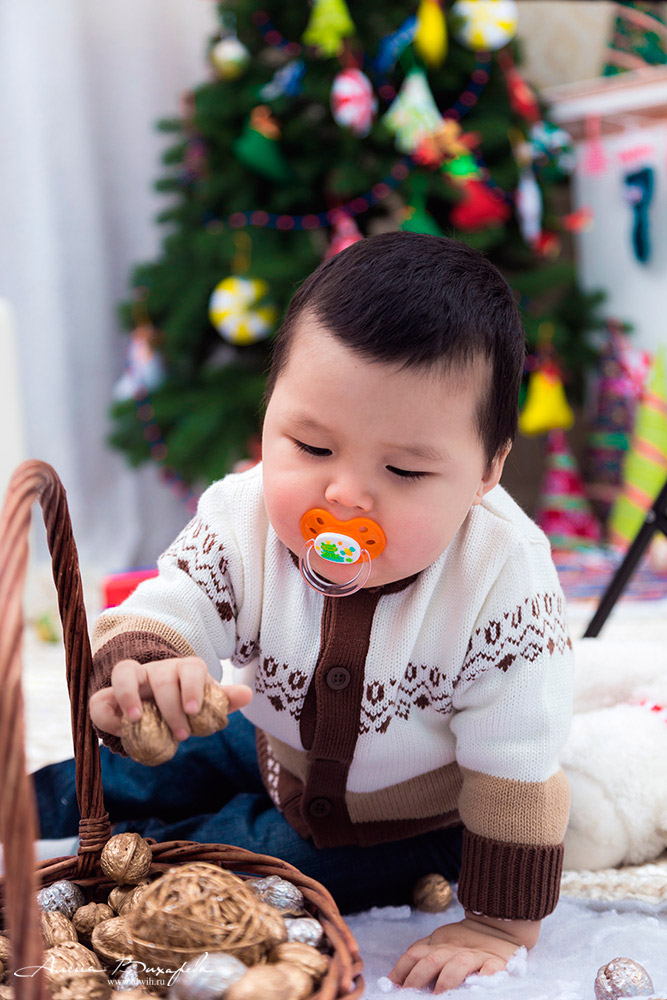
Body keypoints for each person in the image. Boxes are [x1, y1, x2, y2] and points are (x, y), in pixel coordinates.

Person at [33, 232, 574, 994]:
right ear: (269, 417)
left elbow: (515, 768)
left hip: (405, 815)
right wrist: (150, 667)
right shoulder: (244, 513)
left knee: (241, 860)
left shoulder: (505, 583)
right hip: (266, 736)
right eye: (310, 445)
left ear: (486, 470)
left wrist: (496, 924)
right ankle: (26, 800)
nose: (344, 496)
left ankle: (122, 859)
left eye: (404, 469)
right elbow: (177, 598)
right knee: (129, 767)